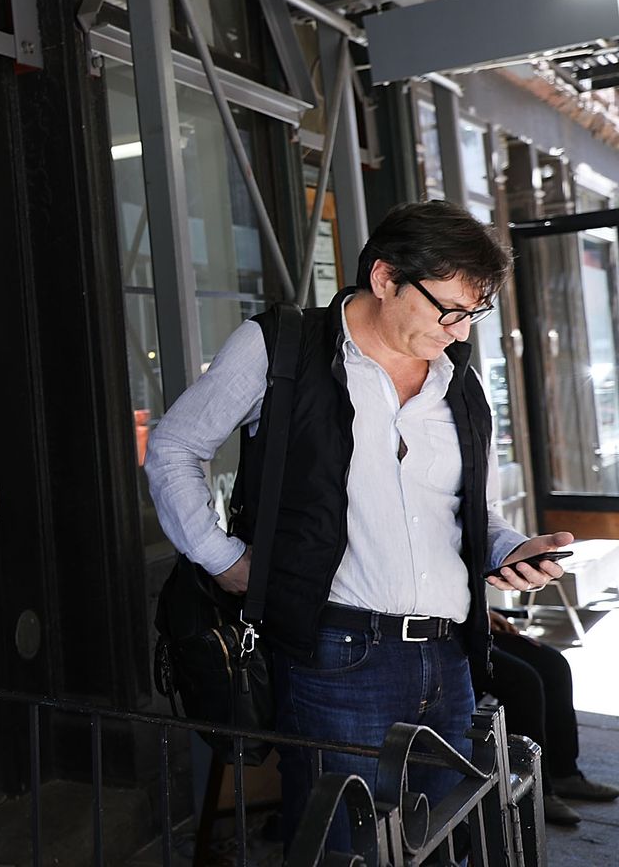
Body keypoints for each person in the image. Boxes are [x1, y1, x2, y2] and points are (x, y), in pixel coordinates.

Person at [145, 200, 574, 849]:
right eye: (449, 310)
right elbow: (175, 447)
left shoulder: (456, 379)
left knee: (436, 843)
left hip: (450, 662)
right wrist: (223, 558)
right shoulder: (283, 347)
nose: (460, 333)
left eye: (473, 315)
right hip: (336, 658)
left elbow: (460, 513)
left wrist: (512, 549)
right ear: (384, 278)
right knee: (342, 847)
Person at [478, 610, 619, 825]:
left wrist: (485, 612)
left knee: (554, 664)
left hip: (472, 623)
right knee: (524, 681)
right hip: (446, 637)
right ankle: (534, 790)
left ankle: (564, 773)